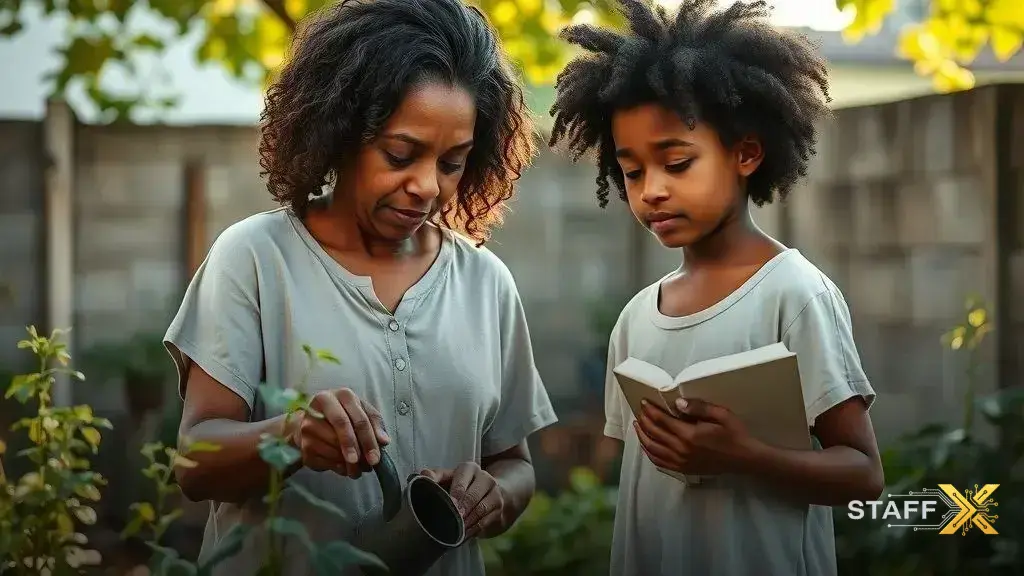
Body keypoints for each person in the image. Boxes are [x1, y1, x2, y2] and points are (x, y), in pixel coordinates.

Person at [164, 1, 557, 574]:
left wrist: (491, 496)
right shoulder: (255, 259)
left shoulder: (485, 282)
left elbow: (515, 465)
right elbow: (195, 465)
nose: (427, 186)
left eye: (452, 163)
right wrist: (294, 436)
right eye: (400, 155)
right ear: (341, 132)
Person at [548, 1, 884, 574]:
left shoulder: (795, 295)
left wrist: (744, 456)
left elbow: (863, 475)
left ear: (746, 153)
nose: (651, 190)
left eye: (677, 163)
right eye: (633, 172)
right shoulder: (636, 317)